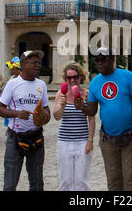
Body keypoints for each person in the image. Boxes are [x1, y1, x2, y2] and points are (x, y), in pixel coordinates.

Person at [76, 47, 132, 191]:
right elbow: (92, 110)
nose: (99, 63)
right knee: (113, 181)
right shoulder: (95, 82)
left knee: (130, 179)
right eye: (96, 60)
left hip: (130, 136)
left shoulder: (127, 76)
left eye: (103, 59)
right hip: (108, 140)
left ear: (112, 59)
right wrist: (82, 106)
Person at [0, 51, 51, 191]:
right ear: (23, 65)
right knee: (10, 183)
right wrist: (17, 114)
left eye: (39, 63)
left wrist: (44, 117)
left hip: (36, 138)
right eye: (33, 62)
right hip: (16, 138)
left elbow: (46, 109)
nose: (37, 66)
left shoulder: (42, 85)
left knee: (37, 183)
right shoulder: (12, 84)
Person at [54, 63, 96, 191]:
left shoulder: (86, 94)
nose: (72, 80)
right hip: (64, 141)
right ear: (65, 79)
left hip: (82, 141)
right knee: (65, 180)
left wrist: (90, 140)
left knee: (82, 180)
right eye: (69, 78)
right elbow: (57, 117)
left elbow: (91, 118)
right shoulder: (61, 93)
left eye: (75, 77)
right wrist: (61, 104)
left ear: (80, 77)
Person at [3, 57, 22, 127]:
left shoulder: (23, 78)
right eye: (12, 69)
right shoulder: (11, 78)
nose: (12, 71)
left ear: (18, 69)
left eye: (13, 69)